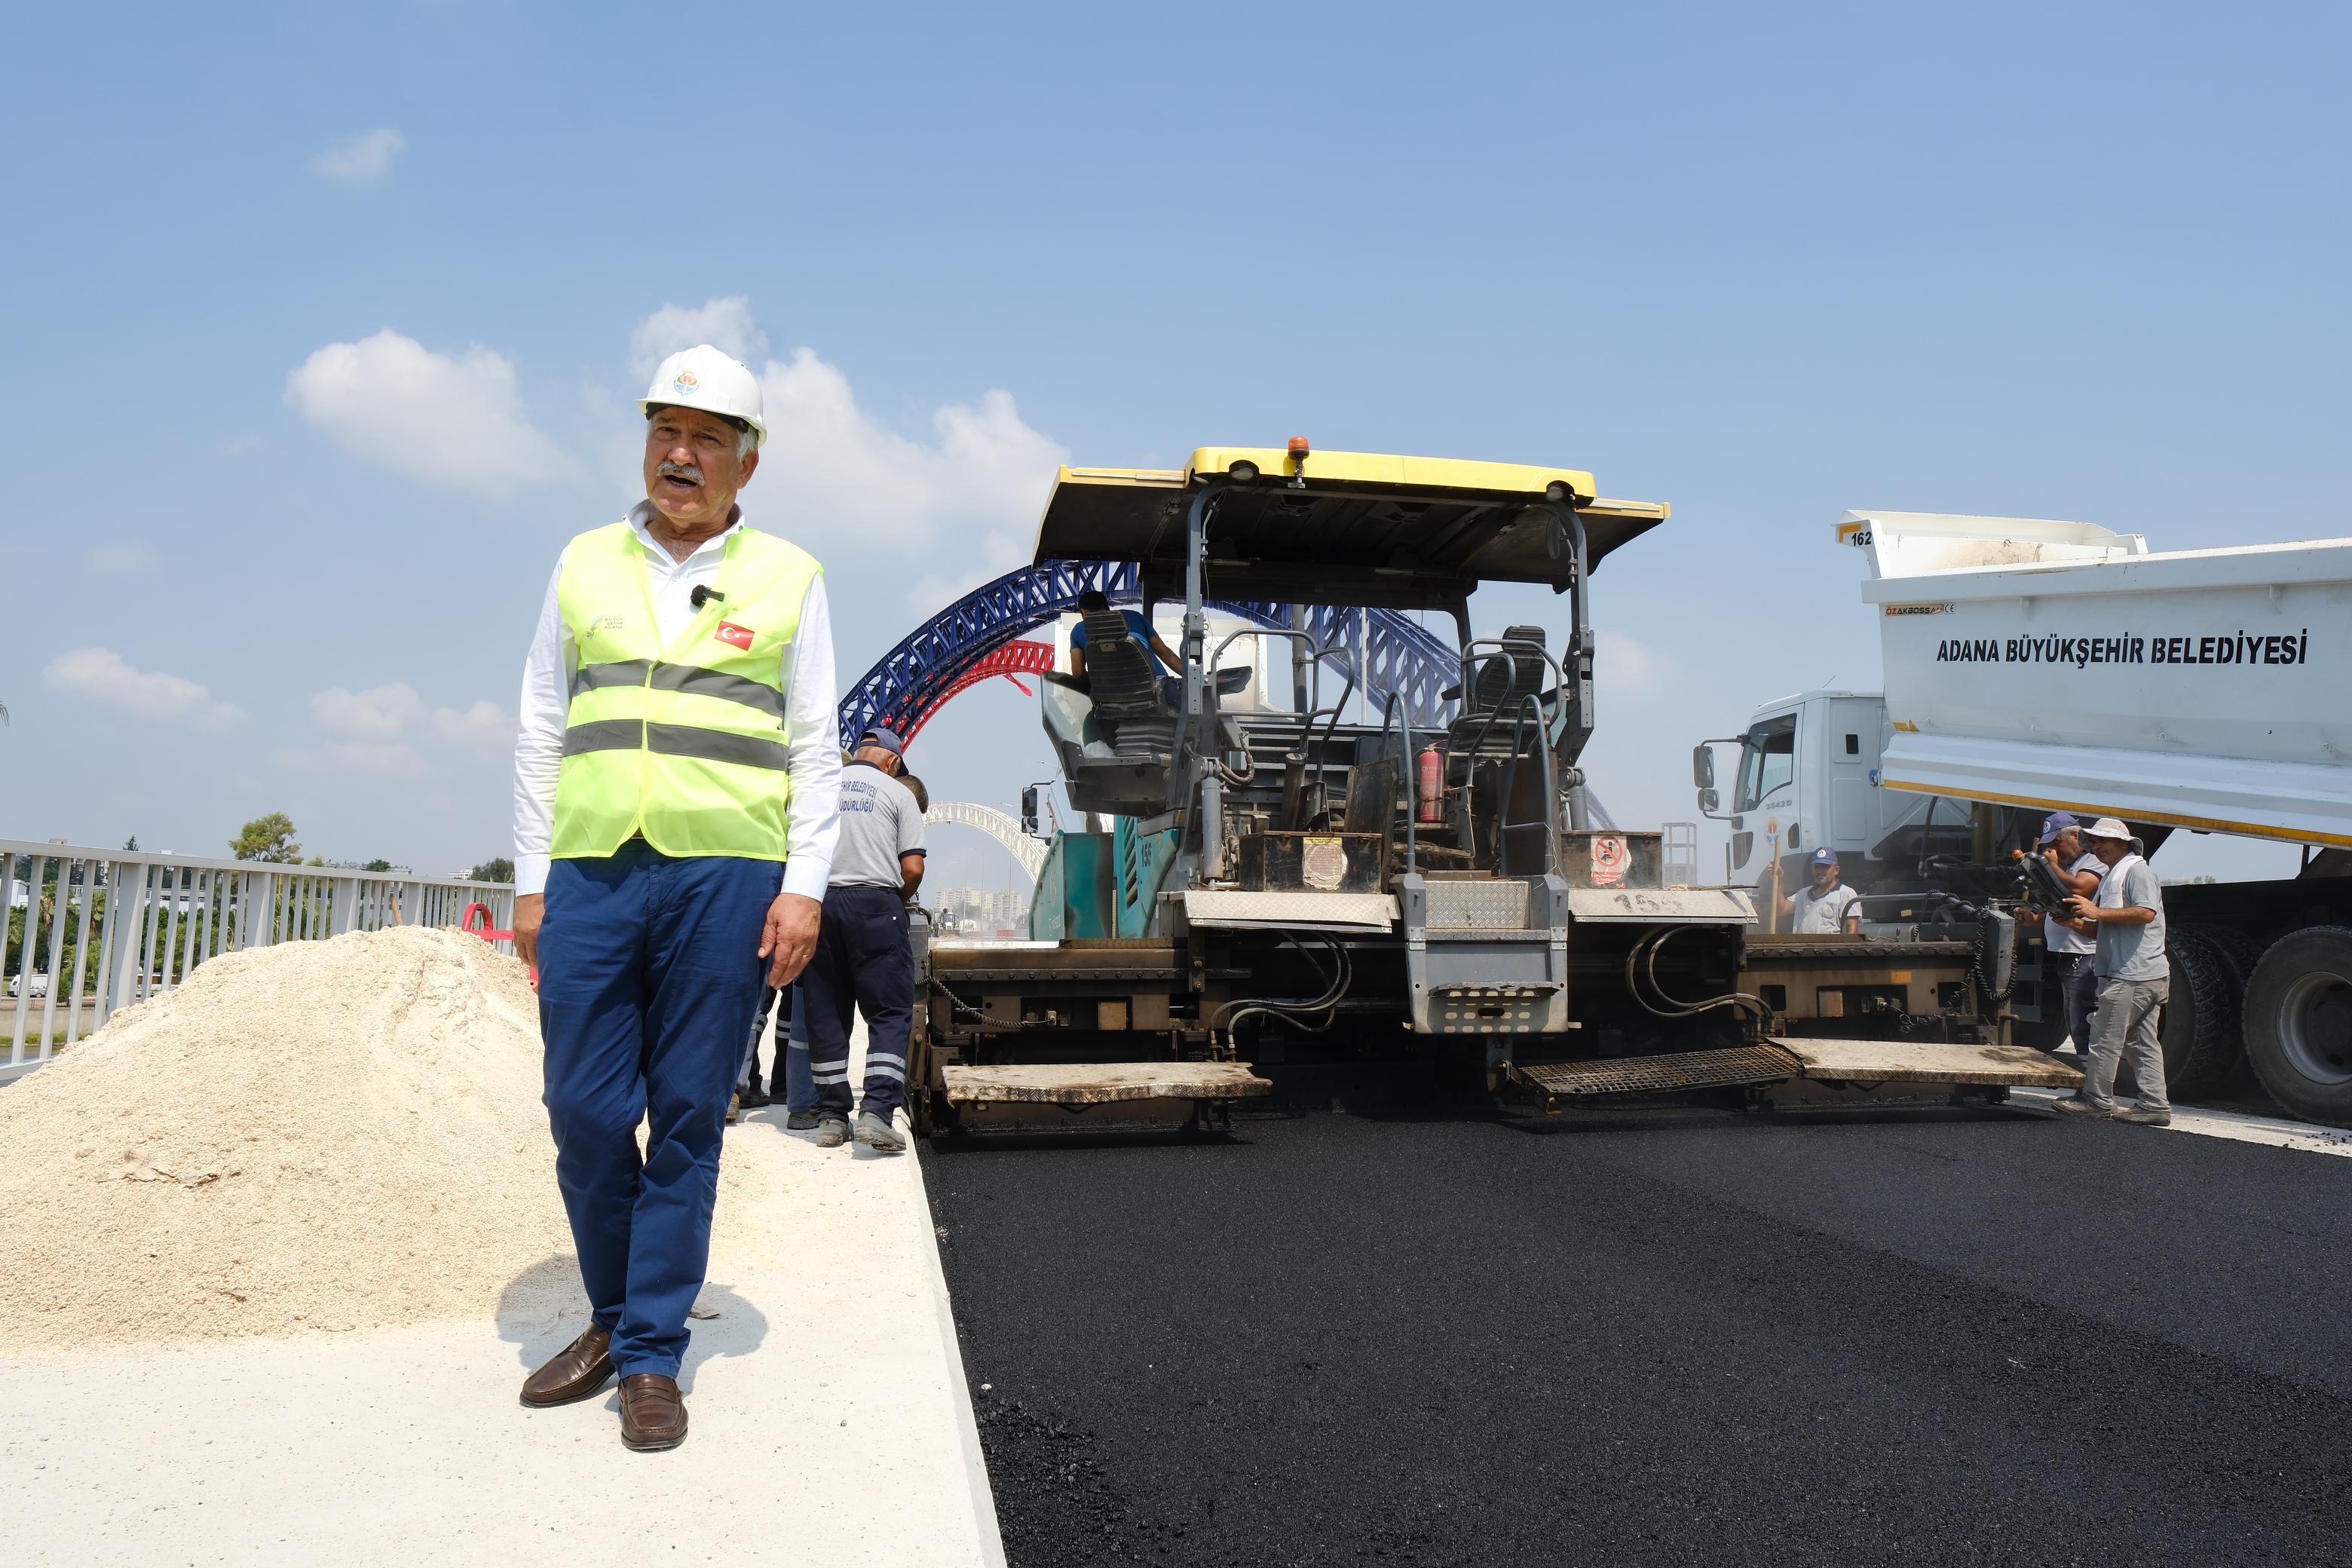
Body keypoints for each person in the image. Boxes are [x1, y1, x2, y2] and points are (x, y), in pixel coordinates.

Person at [509, 344, 841, 1452]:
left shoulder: (790, 574)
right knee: (585, 1110)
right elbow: (543, 727)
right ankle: (615, 1317)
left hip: (725, 878)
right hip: (596, 870)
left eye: (705, 439)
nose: (679, 455)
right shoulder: (582, 563)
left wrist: (802, 890)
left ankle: (648, 1353)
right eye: (665, 432)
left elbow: (815, 747)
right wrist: (529, 882)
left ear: (747, 462)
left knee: (689, 1117)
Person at [803, 724, 927, 1153]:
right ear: (892, 761)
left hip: (822, 905)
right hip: (875, 905)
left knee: (826, 1013)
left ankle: (831, 1119)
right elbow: (912, 868)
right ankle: (875, 1111)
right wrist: (896, 901)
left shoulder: (821, 786)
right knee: (890, 1012)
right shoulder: (898, 794)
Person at [2050, 817, 2171, 1125]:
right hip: (2144, 973)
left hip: (2132, 973)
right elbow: (2103, 931)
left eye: (2104, 840)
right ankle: (2155, 1105)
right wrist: (2075, 922)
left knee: (2103, 1038)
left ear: (2125, 844)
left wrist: (2095, 911)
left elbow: (2145, 913)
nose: (2097, 846)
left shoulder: (2137, 872)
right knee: (2142, 1043)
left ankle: (2097, 1100)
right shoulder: (2115, 875)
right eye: (2093, 841)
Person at [2031, 811, 2103, 1055]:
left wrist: (2050, 865)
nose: (2054, 850)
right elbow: (2061, 898)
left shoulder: (2092, 861)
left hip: (2083, 955)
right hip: (2070, 954)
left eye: (2056, 844)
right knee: (2075, 1020)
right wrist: (2036, 917)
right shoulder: (2071, 865)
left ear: (2075, 835)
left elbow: (2081, 887)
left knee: (2084, 1021)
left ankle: (2091, 1084)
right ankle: (2087, 1081)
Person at [1067, 587, 1178, 678]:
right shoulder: (1135, 617)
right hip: (1157, 686)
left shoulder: (1078, 630)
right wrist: (1192, 679)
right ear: (1107, 606)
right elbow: (1166, 654)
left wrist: (1097, 686)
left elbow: (1078, 672)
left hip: (1112, 696)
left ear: (1084, 612)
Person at [1781, 847, 1862, 934]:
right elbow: (1781, 910)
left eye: (1825, 867)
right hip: (1802, 947)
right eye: (1817, 867)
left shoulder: (1846, 894)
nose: (1819, 871)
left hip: (1829, 947)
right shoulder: (1803, 894)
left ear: (1836, 870)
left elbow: (1852, 930)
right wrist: (1778, 880)